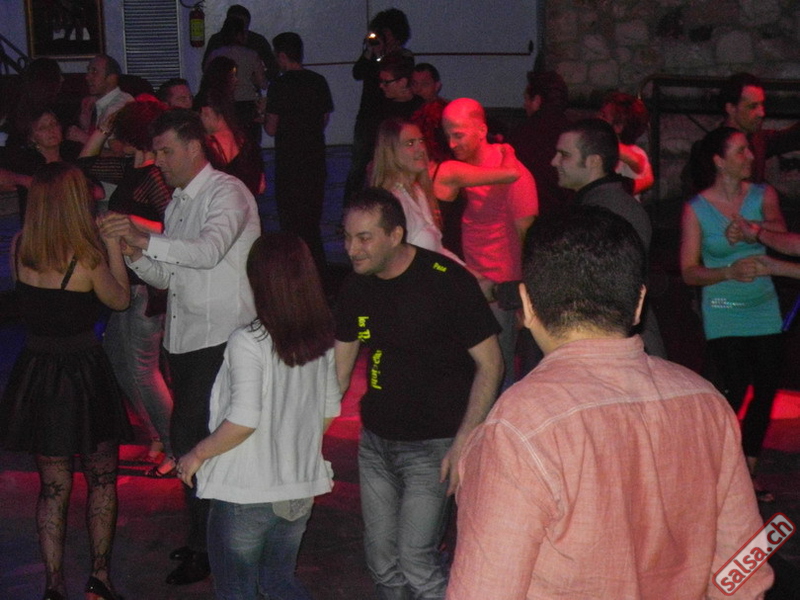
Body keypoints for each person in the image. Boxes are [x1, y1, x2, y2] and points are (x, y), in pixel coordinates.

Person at [446, 207, 774, 600]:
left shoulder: (519, 427)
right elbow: (745, 570)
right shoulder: (706, 403)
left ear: (528, 306)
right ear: (638, 304)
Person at [99, 108, 262, 585]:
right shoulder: (177, 203)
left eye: (167, 151)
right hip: (187, 338)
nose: (159, 161)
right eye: (157, 151)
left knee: (199, 442)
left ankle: (210, 548)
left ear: (194, 148)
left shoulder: (227, 193)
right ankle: (204, 541)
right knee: (191, 441)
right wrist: (135, 252)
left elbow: (207, 253)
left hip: (223, 338)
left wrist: (144, 238)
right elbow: (168, 275)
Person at [335, 188, 503, 600]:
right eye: (347, 237)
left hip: (433, 447)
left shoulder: (447, 282)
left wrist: (463, 441)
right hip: (375, 444)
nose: (352, 249)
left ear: (395, 235)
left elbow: (491, 364)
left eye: (364, 238)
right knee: (382, 564)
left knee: (416, 561)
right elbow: (337, 374)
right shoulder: (356, 287)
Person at [175, 232, 341, 600]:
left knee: (237, 591)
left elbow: (244, 420)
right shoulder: (319, 338)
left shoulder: (249, 341)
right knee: (278, 582)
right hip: (298, 488)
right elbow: (329, 410)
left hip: (246, 493)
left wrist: (197, 454)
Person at [0, 162, 131, 600]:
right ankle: (99, 579)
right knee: (101, 480)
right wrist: (111, 246)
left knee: (53, 488)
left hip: (37, 372)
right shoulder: (86, 258)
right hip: (82, 373)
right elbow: (120, 300)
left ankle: (53, 585)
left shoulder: (20, 246)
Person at [681, 125, 788, 502]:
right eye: (741, 151)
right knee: (736, 387)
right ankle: (716, 467)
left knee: (766, 388)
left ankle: (749, 471)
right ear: (719, 160)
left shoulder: (762, 195)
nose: (750, 157)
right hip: (723, 307)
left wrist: (751, 229)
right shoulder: (696, 209)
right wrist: (728, 272)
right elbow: (688, 271)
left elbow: (782, 232)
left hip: (763, 305)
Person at [80, 97, 176, 477]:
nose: (112, 138)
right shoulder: (130, 169)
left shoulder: (154, 176)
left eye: (117, 131)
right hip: (128, 282)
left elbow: (176, 227)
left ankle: (176, 447)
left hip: (147, 287)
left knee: (142, 370)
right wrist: (100, 131)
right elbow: (81, 168)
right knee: (120, 364)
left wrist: (128, 223)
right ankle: (160, 436)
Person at [441, 98, 538, 390]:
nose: (452, 143)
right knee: (474, 372)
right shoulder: (464, 171)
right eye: (447, 135)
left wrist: (523, 297)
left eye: (458, 135)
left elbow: (528, 237)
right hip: (470, 283)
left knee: (497, 373)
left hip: (500, 290)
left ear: (481, 130)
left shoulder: (515, 175)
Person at [551, 118, 666, 358]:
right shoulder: (602, 204)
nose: (554, 162)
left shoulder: (606, 211)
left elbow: (607, 286)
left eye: (564, 155)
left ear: (593, 161)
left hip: (618, 349)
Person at [371, 117, 521, 268]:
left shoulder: (418, 190)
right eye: (410, 143)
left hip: (445, 266)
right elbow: (511, 174)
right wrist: (508, 150)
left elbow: (436, 251)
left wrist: (465, 273)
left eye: (421, 141)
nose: (420, 148)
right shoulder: (395, 199)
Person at [265, 31, 334, 274]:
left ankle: (295, 272)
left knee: (290, 221)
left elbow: (271, 128)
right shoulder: (318, 81)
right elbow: (324, 118)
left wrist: (263, 115)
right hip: (314, 158)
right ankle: (319, 271)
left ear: (282, 56)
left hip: (289, 162)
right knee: (312, 221)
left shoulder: (279, 85)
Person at [344, 7, 413, 204]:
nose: (383, 37)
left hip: (392, 115)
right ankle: (351, 207)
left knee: (390, 162)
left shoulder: (404, 56)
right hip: (368, 116)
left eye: (386, 33)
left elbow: (394, 74)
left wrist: (382, 56)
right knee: (359, 166)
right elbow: (358, 73)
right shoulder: (373, 56)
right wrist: (371, 52)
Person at [506, 71, 573, 218]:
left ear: (537, 100)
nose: (524, 104)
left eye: (526, 99)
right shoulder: (576, 133)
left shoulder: (520, 135)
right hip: (568, 217)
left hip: (530, 217)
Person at [205, 16, 268, 148]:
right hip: (247, 105)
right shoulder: (251, 54)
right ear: (240, 34)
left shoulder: (215, 54)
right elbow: (263, 83)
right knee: (250, 145)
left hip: (223, 104)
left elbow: (207, 80)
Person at [196, 82, 266, 197]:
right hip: (248, 204)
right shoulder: (248, 141)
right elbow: (261, 187)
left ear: (206, 112)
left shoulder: (208, 145)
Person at [66, 54, 133, 149]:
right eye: (88, 71)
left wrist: (83, 138)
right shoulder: (99, 103)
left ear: (111, 78)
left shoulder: (119, 106)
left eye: (94, 72)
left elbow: (116, 151)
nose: (87, 77)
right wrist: (86, 125)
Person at [597, 91, 654, 197]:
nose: (597, 117)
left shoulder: (635, 152)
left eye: (603, 116)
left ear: (618, 127)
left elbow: (638, 161)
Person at [203, 4, 279, 82]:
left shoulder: (257, 41)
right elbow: (206, 69)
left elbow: (273, 68)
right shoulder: (216, 40)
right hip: (223, 87)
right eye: (237, 25)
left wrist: (256, 79)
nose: (241, 30)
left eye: (244, 26)